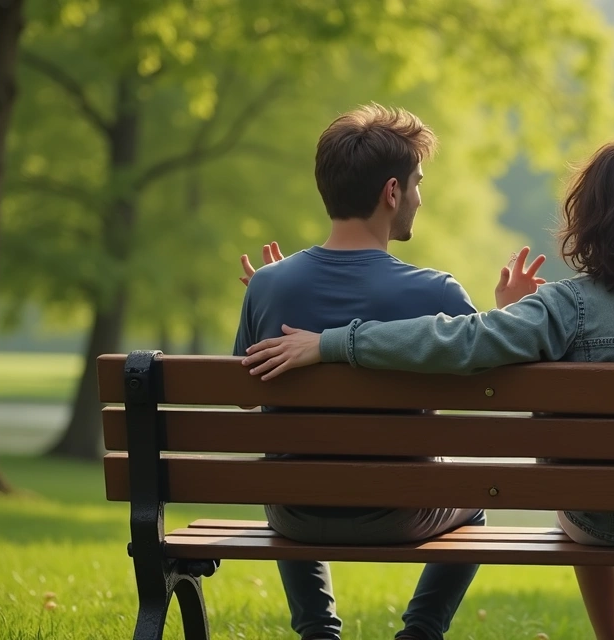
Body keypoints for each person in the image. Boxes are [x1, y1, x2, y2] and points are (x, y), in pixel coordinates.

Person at [239, 134, 614, 640]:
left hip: (593, 521)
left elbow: (463, 343)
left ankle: (611, 637)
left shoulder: (565, 305)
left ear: (588, 217)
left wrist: (336, 341)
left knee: (593, 481)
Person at [234, 103, 544, 640]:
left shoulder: (268, 285)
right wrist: (510, 313)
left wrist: (274, 290)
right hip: (399, 510)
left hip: (293, 512)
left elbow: (243, 397)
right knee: (473, 506)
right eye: (419, 183)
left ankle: (317, 631)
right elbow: (491, 375)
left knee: (292, 470)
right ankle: (421, 632)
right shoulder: (436, 292)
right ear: (392, 192)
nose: (421, 197)